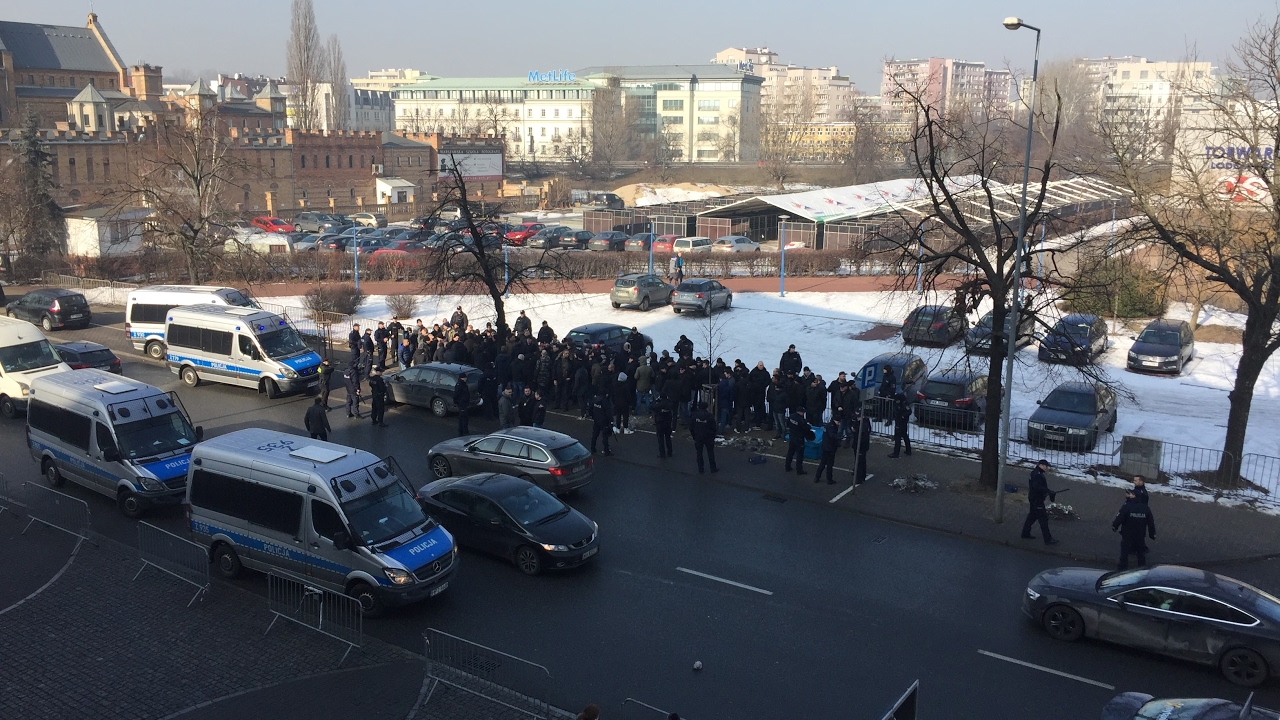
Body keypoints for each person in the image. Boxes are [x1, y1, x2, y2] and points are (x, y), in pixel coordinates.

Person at [1113, 488, 1156, 569]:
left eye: (1132, 494)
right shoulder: (1145, 508)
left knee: (1124, 552)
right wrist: (1152, 534)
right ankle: (1142, 569)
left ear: (1135, 496)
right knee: (1140, 552)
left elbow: (1120, 518)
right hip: (1140, 535)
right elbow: (1150, 522)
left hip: (1127, 534)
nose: (1130, 495)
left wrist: (1114, 526)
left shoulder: (1127, 506)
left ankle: (1122, 569)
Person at [1020, 460, 1059, 545]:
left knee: (1032, 516)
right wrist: (1048, 491)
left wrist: (1048, 491)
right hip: (1037, 500)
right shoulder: (1037, 475)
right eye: (1045, 466)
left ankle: (1025, 533)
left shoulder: (1036, 473)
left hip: (1034, 499)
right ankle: (1048, 539)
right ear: (1040, 465)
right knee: (1043, 519)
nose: (1046, 468)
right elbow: (1037, 487)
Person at [690, 401, 718, 474]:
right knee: (710, 452)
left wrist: (694, 436)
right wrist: (713, 436)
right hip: (708, 437)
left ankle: (700, 468)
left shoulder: (694, 415)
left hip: (698, 436)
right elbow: (714, 428)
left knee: (699, 453)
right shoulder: (710, 416)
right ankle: (713, 468)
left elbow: (691, 427)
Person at [887, 391, 912, 458]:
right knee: (904, 436)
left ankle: (896, 453)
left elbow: (909, 411)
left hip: (901, 422)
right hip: (900, 422)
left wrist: (903, 416)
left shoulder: (904, 404)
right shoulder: (900, 403)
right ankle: (908, 450)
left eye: (897, 400)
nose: (896, 401)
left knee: (898, 438)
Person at [784, 407, 809, 475]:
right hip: (799, 439)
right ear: (800, 412)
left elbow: (788, 424)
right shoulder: (801, 419)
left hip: (792, 437)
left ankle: (787, 466)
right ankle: (799, 470)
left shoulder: (791, 416)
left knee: (790, 452)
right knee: (799, 455)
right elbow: (806, 428)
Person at [814, 418, 839, 485]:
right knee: (829, 465)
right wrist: (838, 437)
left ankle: (817, 477)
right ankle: (829, 479)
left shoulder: (827, 425)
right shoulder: (832, 427)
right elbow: (832, 436)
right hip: (830, 448)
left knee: (822, 463)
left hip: (825, 447)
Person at [589, 392, 613, 456]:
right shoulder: (605, 402)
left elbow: (590, 408)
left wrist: (593, 416)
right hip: (604, 421)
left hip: (596, 420)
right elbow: (608, 413)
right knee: (605, 436)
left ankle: (592, 448)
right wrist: (611, 422)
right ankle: (606, 450)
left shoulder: (594, 399)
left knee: (594, 435)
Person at [653, 392, 675, 459]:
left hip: (660, 423)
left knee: (661, 439)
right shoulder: (669, 404)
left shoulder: (658, 404)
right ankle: (670, 452)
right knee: (668, 438)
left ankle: (662, 453)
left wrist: (656, 401)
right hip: (668, 423)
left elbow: (652, 407)